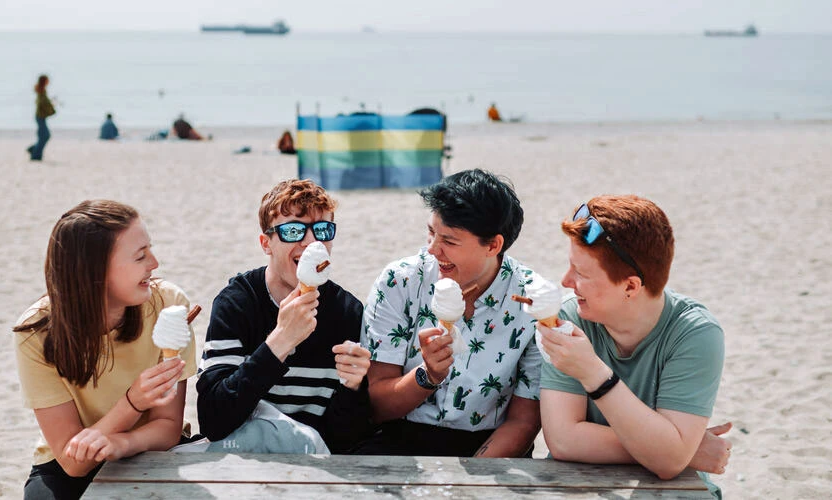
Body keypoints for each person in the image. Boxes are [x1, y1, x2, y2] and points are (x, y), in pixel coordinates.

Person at [537, 195, 730, 493]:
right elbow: (563, 441)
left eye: (581, 273)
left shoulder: (696, 333)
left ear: (630, 286)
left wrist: (592, 373)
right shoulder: (568, 318)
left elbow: (668, 466)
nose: (565, 281)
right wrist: (679, 450)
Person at [13, 200, 197, 500]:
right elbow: (73, 463)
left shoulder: (168, 305)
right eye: (140, 256)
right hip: (67, 462)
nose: (154, 263)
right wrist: (132, 403)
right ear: (95, 272)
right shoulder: (36, 332)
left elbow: (167, 428)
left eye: (149, 249)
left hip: (150, 446)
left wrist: (121, 443)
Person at [359, 168, 544, 457]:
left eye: (449, 241)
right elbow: (377, 407)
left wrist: (469, 483)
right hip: (397, 438)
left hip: (491, 447)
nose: (432, 249)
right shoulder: (400, 281)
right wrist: (428, 375)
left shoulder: (532, 300)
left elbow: (524, 420)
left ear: (493, 245)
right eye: (431, 233)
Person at [196, 179, 373, 454]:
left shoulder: (348, 312)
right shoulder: (236, 304)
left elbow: (344, 440)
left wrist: (354, 388)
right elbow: (213, 421)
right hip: (239, 457)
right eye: (293, 231)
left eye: (323, 229)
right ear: (266, 243)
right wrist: (279, 342)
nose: (312, 242)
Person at [28, 74, 56, 161]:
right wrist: (50, 107)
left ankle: (34, 151)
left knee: (44, 136)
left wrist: (50, 105)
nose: (49, 82)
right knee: (44, 136)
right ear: (44, 81)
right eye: (47, 80)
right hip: (40, 117)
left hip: (41, 117)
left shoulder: (42, 90)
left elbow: (42, 103)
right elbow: (41, 103)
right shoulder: (41, 91)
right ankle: (35, 153)